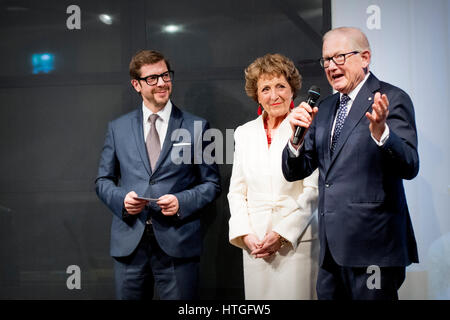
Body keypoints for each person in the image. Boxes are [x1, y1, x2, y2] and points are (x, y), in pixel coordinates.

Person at [282, 27, 419, 300]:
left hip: (374, 250)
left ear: (365, 57)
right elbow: (296, 170)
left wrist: (382, 134)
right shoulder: (325, 108)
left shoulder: (392, 99)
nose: (331, 67)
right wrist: (295, 142)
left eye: (339, 57)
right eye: (326, 60)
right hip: (331, 253)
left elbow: (410, 165)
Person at [95, 50, 221, 300]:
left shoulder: (197, 126)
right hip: (129, 245)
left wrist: (181, 202)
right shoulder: (117, 128)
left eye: (165, 75)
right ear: (136, 85)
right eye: (152, 78)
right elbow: (102, 181)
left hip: (178, 244)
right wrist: (122, 201)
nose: (162, 83)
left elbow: (212, 184)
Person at [228, 53, 319, 300]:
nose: (274, 95)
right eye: (265, 88)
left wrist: (281, 234)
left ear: (292, 90)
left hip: (296, 243)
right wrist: (245, 233)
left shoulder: (308, 126)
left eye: (281, 86)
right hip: (255, 244)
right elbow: (236, 191)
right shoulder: (244, 133)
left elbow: (313, 191)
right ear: (256, 95)